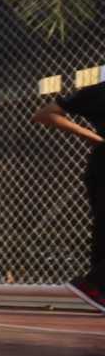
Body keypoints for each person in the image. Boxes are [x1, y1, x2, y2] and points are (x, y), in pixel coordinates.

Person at [33, 81, 105, 313]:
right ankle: (93, 284)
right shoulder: (100, 91)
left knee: (102, 233)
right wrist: (92, 136)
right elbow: (45, 114)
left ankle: (98, 291)